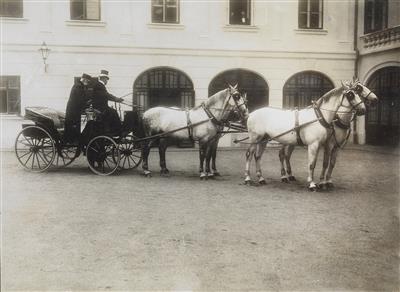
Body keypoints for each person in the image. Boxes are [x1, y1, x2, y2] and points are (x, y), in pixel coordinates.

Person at [92, 70, 124, 134]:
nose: (107, 81)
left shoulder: (100, 85)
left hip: (101, 107)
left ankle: (114, 130)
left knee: (112, 111)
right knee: (114, 112)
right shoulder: (99, 85)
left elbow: (106, 94)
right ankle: (116, 131)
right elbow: (106, 95)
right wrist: (116, 99)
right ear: (104, 78)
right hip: (100, 108)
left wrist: (116, 99)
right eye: (107, 79)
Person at [64, 73, 92, 144]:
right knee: (77, 126)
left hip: (73, 110)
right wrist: (88, 103)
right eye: (88, 81)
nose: (88, 83)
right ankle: (77, 141)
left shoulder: (78, 85)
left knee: (78, 125)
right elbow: (80, 100)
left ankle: (76, 141)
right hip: (73, 111)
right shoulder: (79, 87)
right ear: (84, 80)